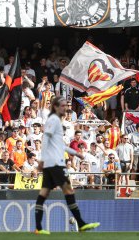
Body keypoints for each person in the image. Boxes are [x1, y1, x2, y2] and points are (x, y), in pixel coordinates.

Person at [34, 96, 100, 235]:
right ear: (56, 107)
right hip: (55, 163)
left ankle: (38, 228)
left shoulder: (56, 120)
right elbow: (45, 139)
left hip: (51, 163)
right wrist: (42, 160)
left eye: (66, 106)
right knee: (68, 191)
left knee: (44, 193)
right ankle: (81, 224)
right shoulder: (54, 120)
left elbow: (60, 145)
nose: (66, 108)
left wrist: (76, 153)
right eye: (63, 106)